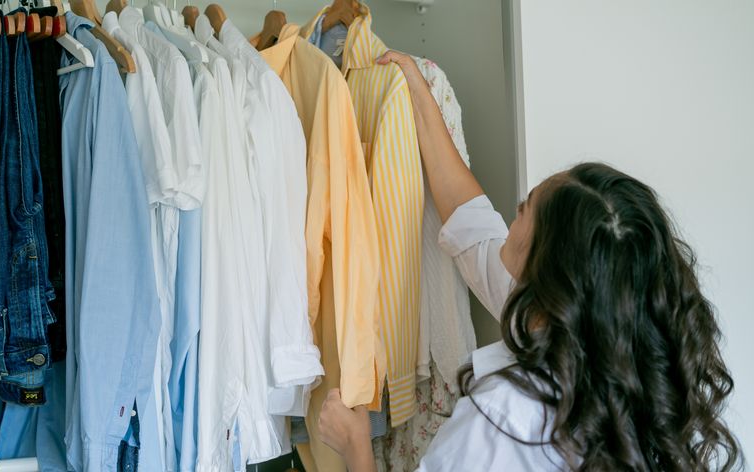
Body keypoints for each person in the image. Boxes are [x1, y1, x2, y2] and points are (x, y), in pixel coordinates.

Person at [315, 51, 742, 471]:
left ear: (544, 265)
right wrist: (418, 91)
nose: (513, 212)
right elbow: (472, 223)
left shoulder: (502, 422)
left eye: (524, 209)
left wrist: (356, 446)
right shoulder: (634, 368)